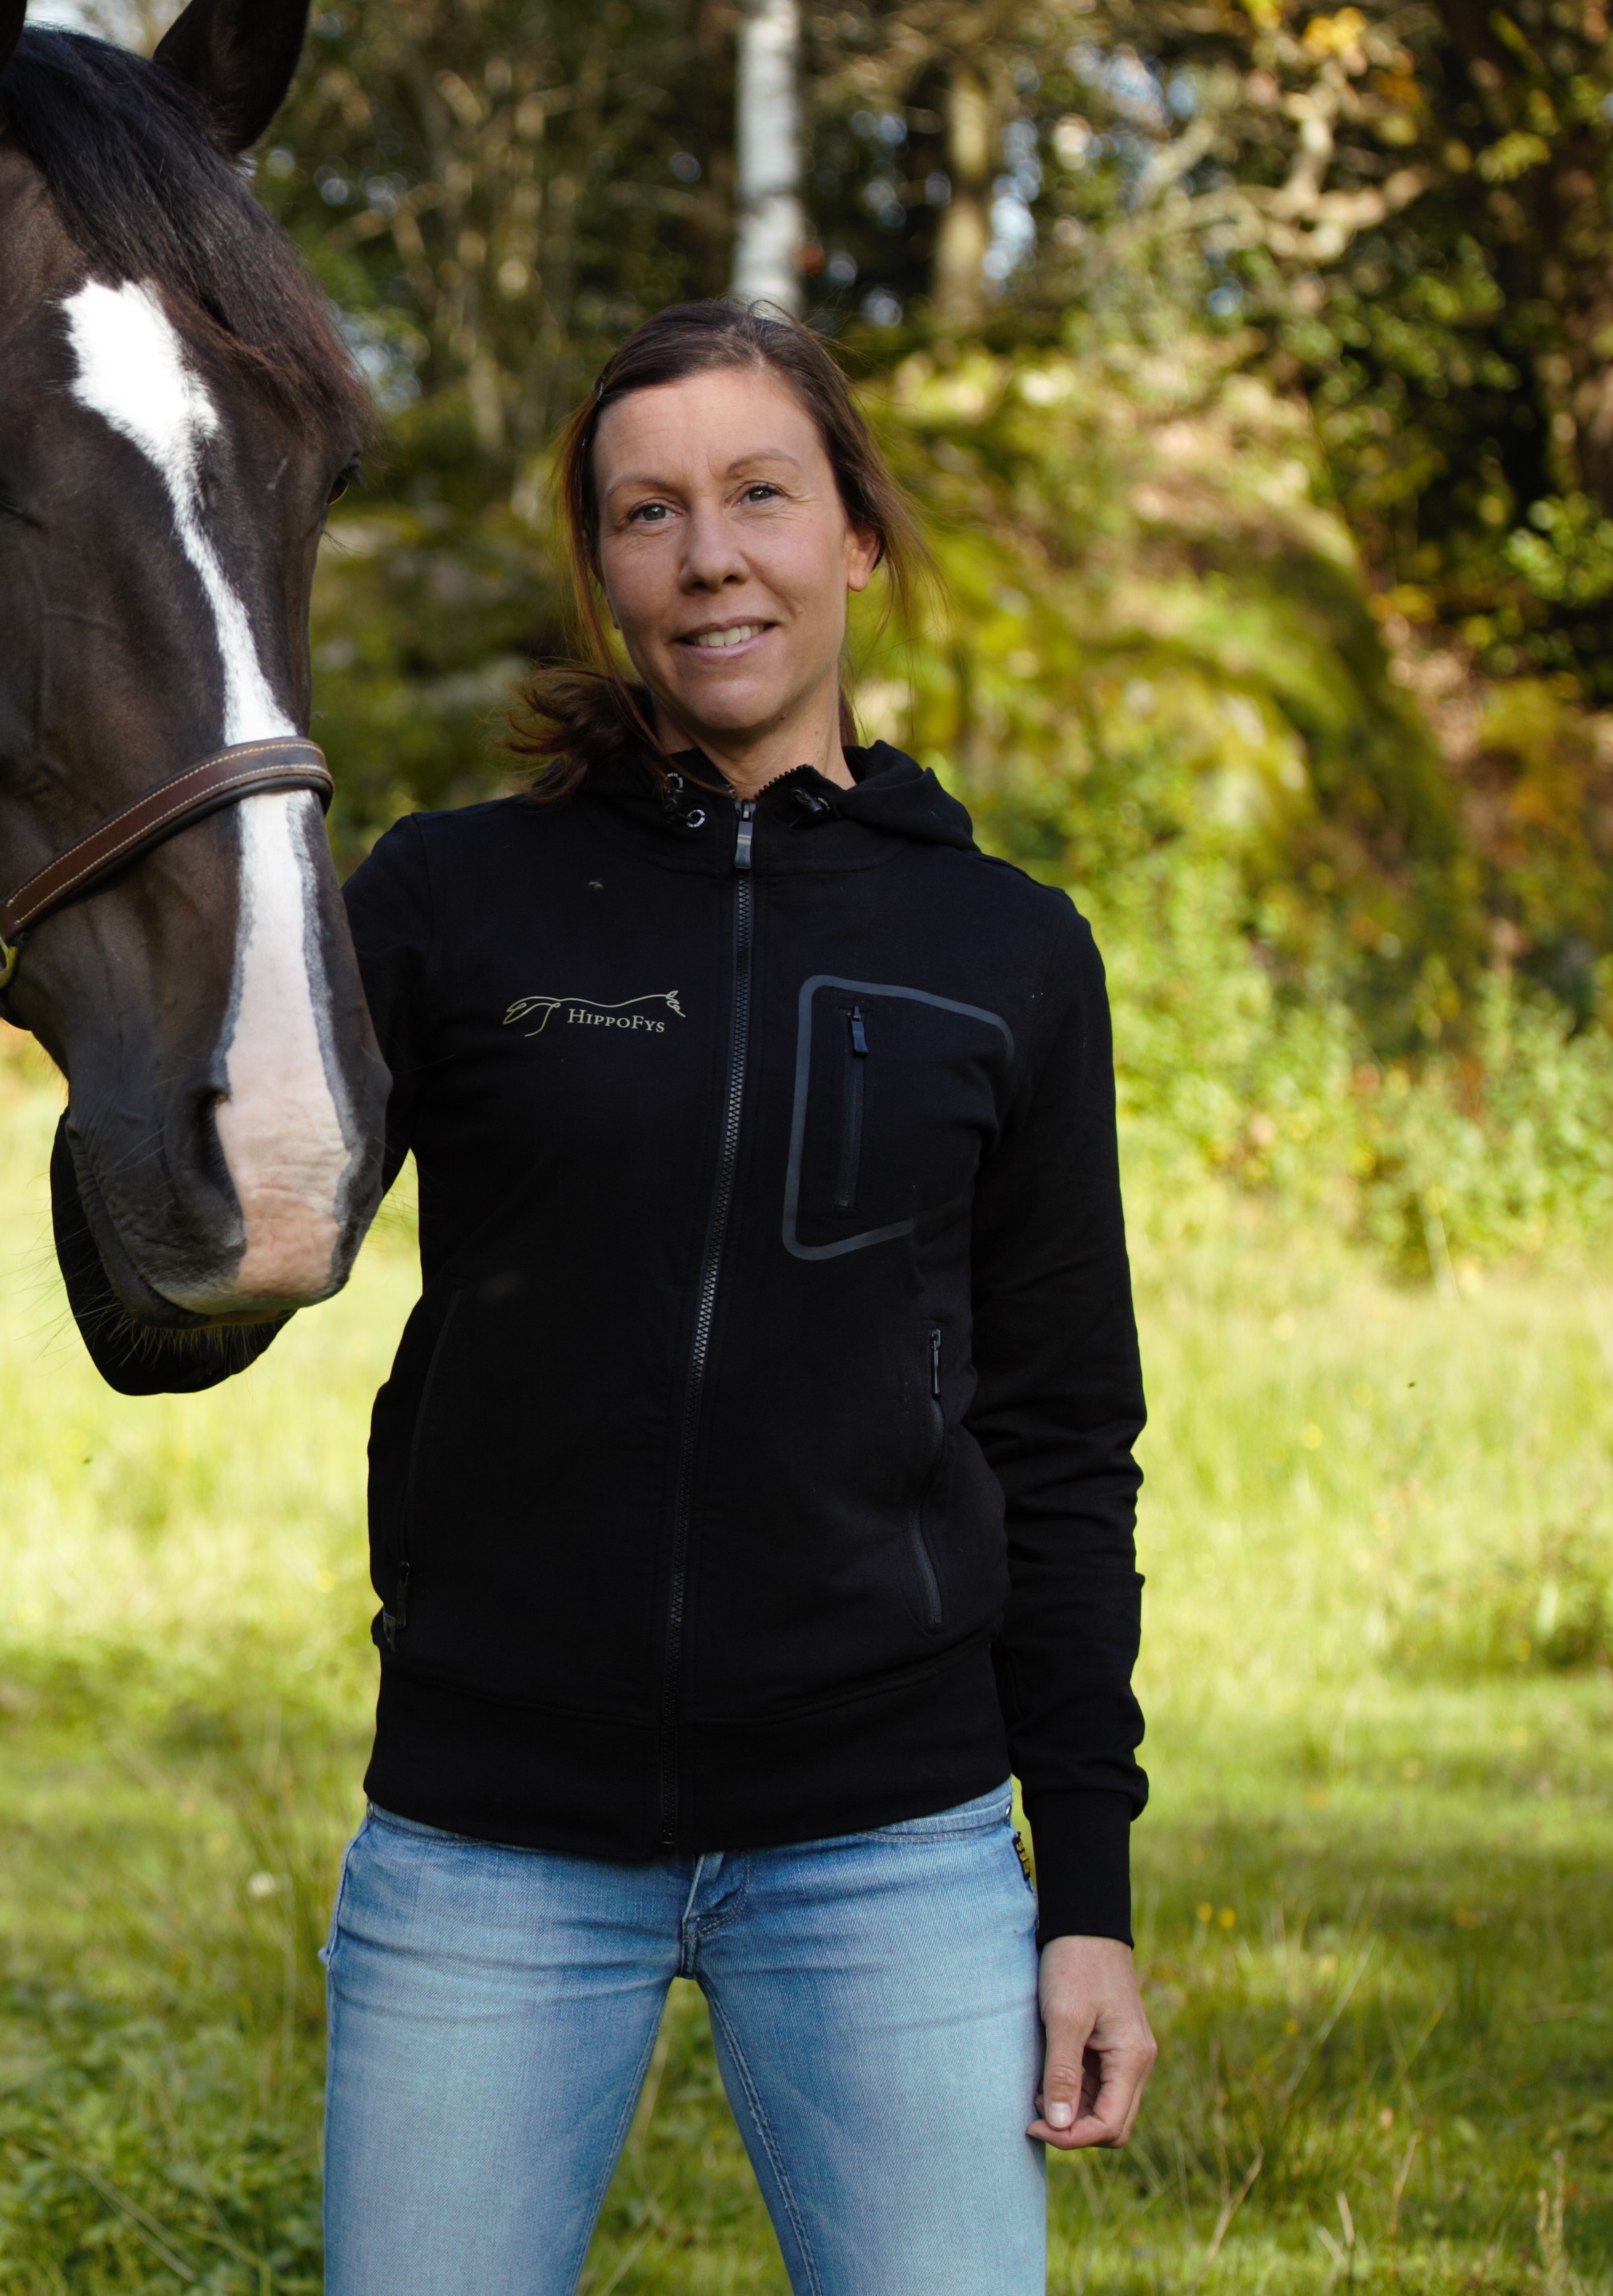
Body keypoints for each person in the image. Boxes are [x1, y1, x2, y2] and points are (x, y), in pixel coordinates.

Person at [320, 299, 1154, 2296]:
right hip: (487, 1834)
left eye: (758, 495)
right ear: (605, 571)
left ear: (855, 534)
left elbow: (1061, 1433)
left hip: (889, 1844)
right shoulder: (448, 903)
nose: (707, 557)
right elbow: (221, 1251)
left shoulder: (1008, 947)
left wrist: (1088, 1895)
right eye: (645, 513)